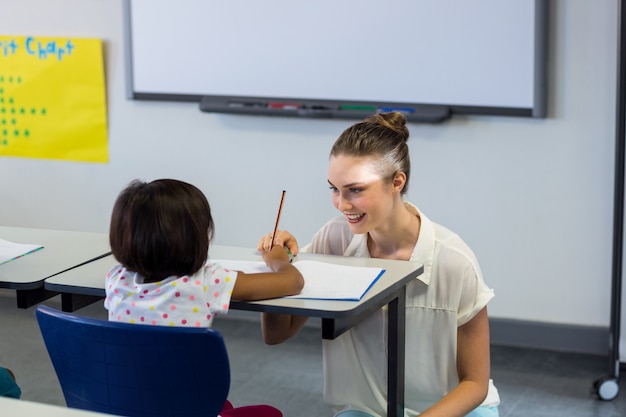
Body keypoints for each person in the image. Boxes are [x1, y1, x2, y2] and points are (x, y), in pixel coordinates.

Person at [258, 112, 500, 417]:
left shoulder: (454, 261)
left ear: (397, 182)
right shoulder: (333, 240)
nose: (342, 204)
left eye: (355, 190)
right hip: (365, 412)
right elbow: (276, 334)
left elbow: (475, 384)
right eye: (334, 188)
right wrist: (278, 262)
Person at [105, 178, 304, 417]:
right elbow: (292, 283)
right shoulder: (205, 282)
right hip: (187, 409)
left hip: (129, 406)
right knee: (270, 413)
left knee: (222, 404)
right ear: (196, 238)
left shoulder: (116, 279)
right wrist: (277, 257)